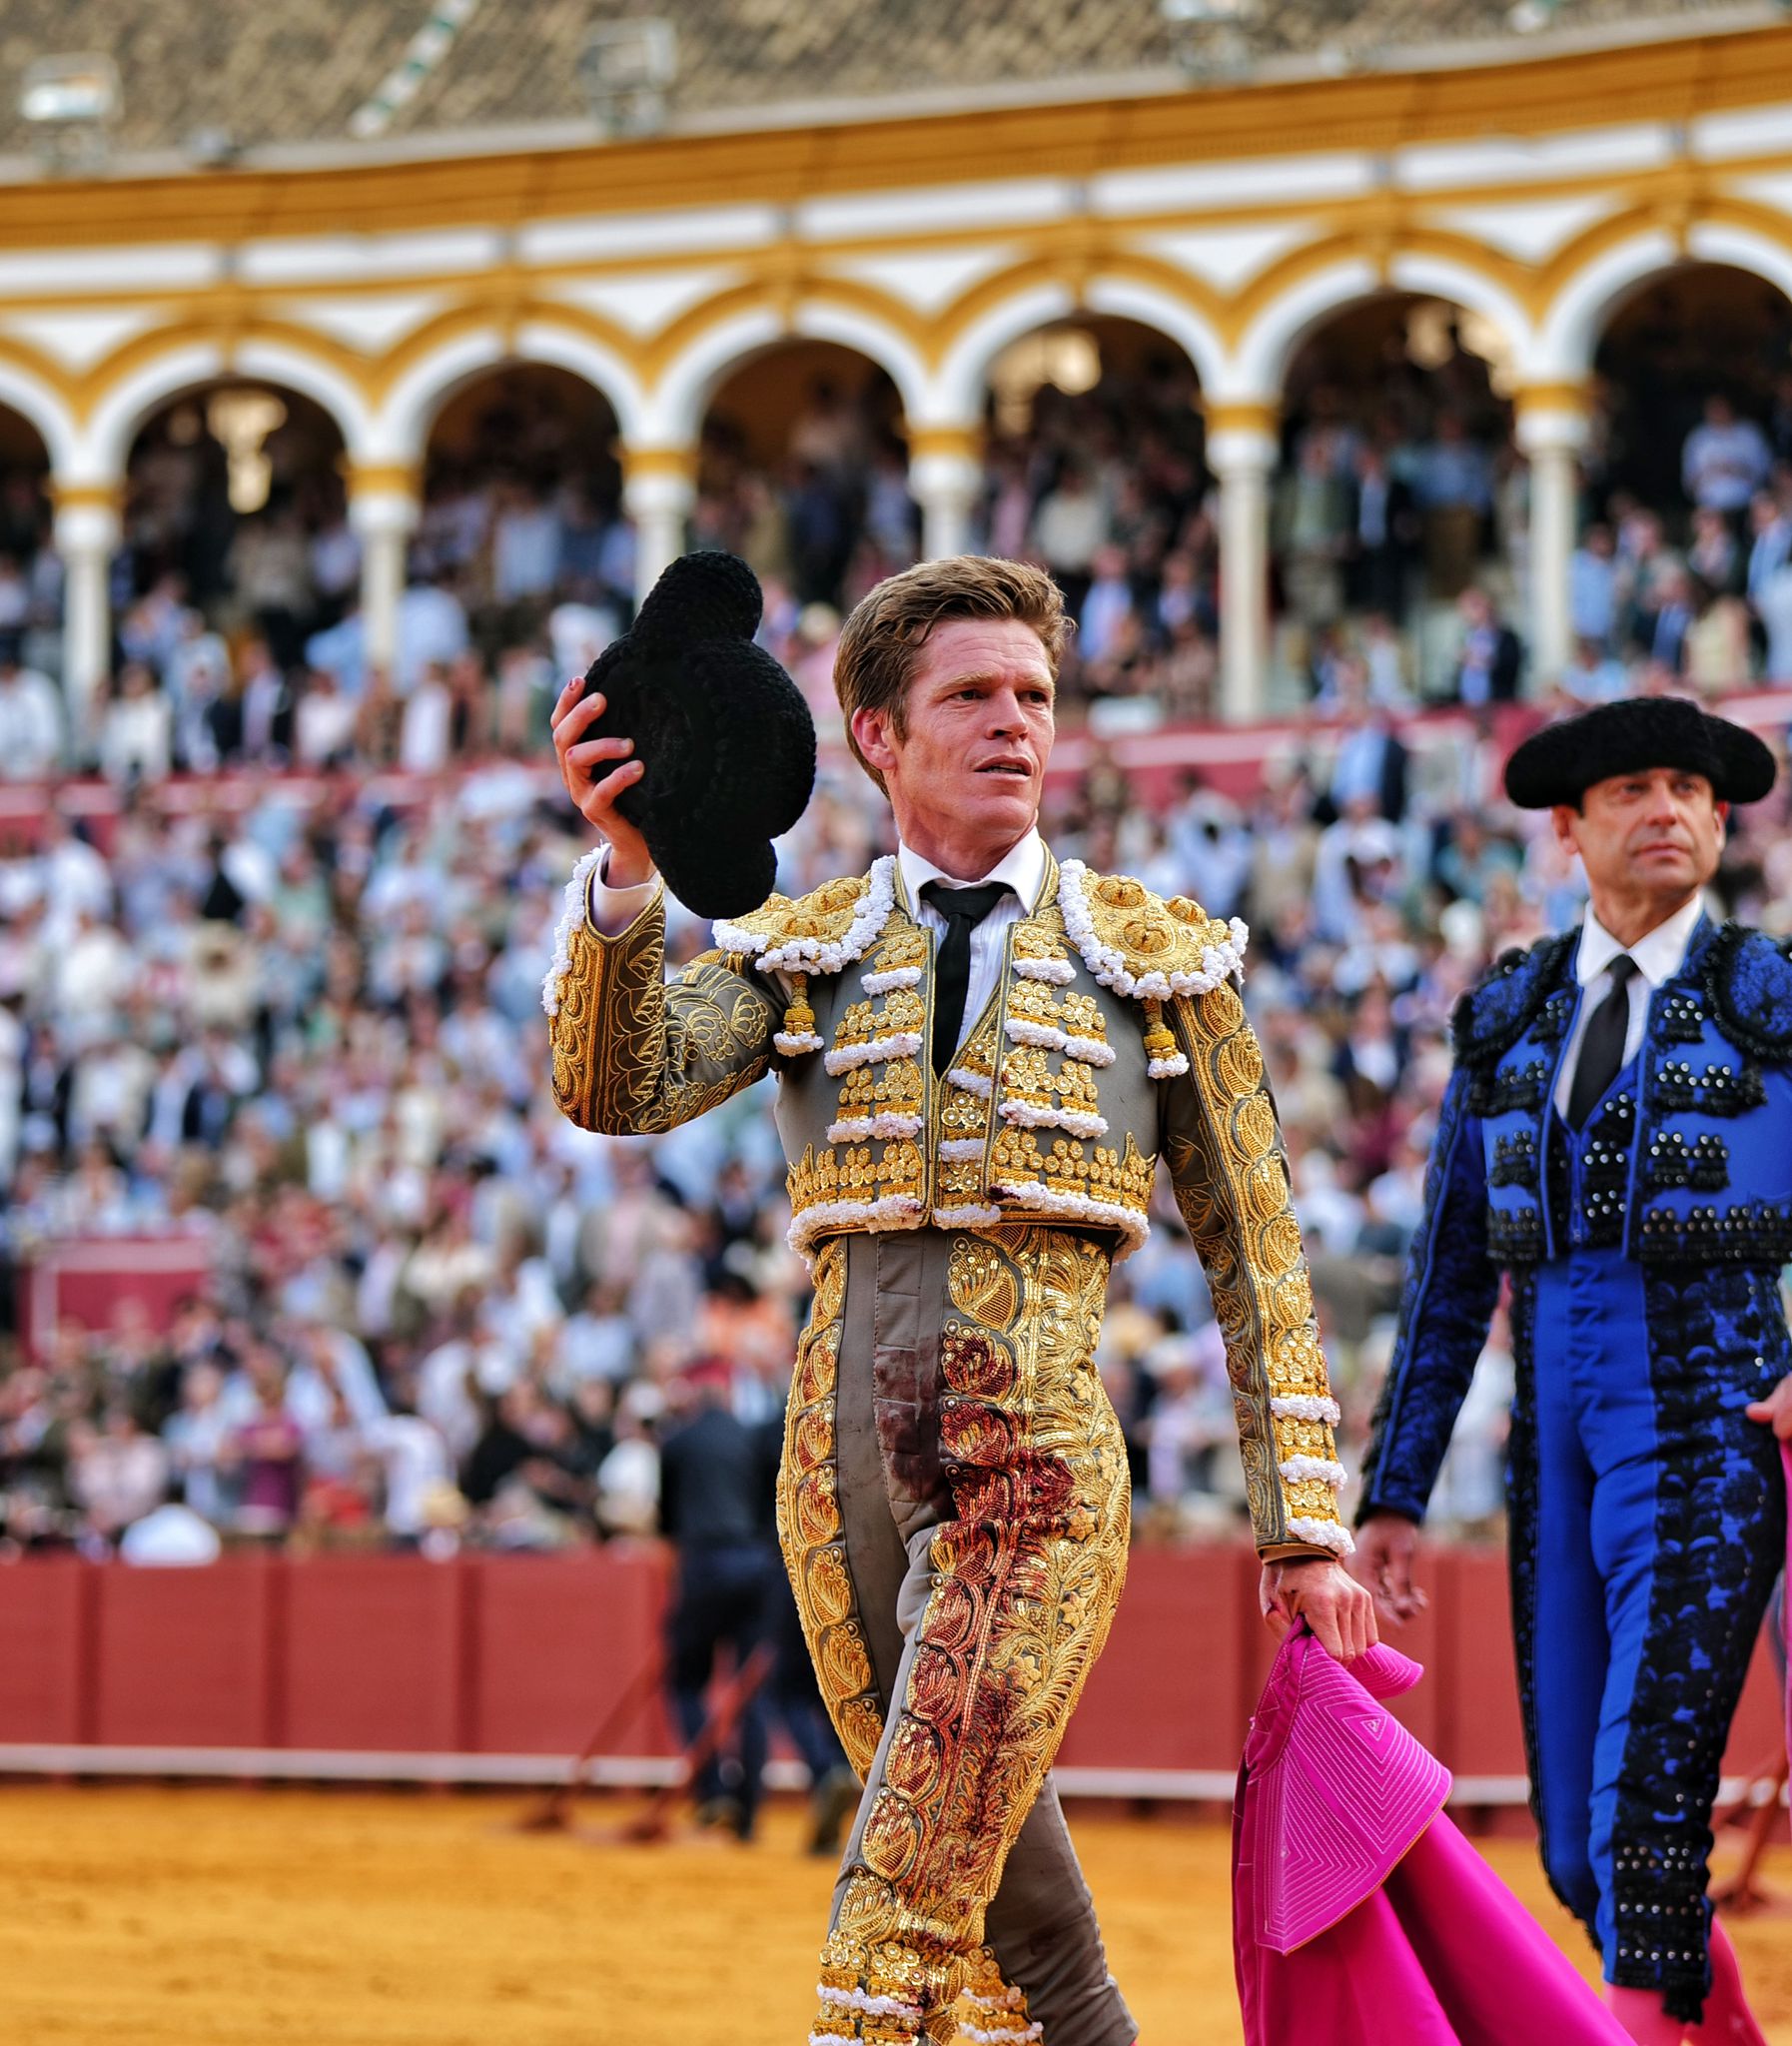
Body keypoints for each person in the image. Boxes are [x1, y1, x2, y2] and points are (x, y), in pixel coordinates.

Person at [545, 553, 1371, 2046]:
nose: (1016, 724)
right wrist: (627, 869)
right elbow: (614, 1087)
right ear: (876, 734)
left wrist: (1302, 1525)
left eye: (1035, 697)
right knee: (1020, 1931)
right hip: (830, 1480)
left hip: (1033, 1472)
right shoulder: (807, 952)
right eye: (972, 695)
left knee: (899, 1910)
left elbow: (1258, 1256)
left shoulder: (1154, 959)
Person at [1354, 696, 1791, 2043]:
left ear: (1719, 822)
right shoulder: (1507, 1016)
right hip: (1549, 1438)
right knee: (1574, 1850)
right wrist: (1393, 1495)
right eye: (1629, 791)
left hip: (1712, 1426)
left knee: (1644, 1804)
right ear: (1567, 830)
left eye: (1686, 789)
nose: (1663, 808)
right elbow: (1443, 1278)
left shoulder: (1771, 996)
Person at [657, 1356, 775, 1842]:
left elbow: (665, 1525)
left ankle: (712, 1790)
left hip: (704, 1565)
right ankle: (747, 1813)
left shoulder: (678, 1442)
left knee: (685, 1680)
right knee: (750, 1691)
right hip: (756, 1566)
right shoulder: (751, 1439)